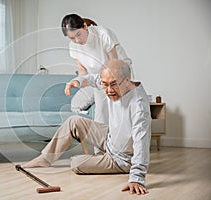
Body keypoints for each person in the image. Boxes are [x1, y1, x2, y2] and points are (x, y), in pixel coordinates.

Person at [23, 60, 151, 195]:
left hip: (122, 158)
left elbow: (141, 142)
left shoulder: (139, 106)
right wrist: (77, 81)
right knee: (74, 121)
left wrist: (137, 178)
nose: (109, 90)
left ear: (127, 80)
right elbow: (92, 79)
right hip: (110, 138)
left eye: (113, 85)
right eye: (105, 84)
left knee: (76, 164)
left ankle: (103, 159)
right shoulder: (111, 81)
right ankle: (46, 158)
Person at [61, 13, 133, 126]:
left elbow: (114, 65)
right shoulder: (73, 46)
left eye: (78, 34)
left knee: (119, 110)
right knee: (101, 113)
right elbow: (83, 71)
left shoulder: (103, 34)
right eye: (72, 38)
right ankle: (101, 143)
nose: (77, 40)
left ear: (84, 26)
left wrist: (112, 84)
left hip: (119, 72)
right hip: (99, 77)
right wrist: (78, 82)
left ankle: (124, 142)